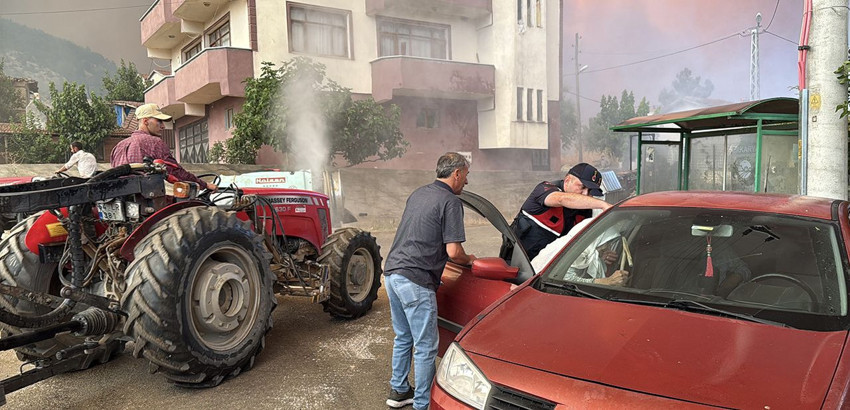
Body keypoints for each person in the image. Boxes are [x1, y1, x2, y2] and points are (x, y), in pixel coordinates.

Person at [383, 152, 476, 410]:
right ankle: (423, 404)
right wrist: (470, 260)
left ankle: (399, 390)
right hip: (416, 279)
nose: (466, 181)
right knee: (426, 346)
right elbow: (454, 252)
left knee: (403, 337)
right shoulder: (450, 202)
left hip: (392, 274)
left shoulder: (418, 194)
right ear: (456, 173)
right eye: (466, 175)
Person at [507, 163, 611, 261]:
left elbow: (582, 244)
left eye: (590, 191)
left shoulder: (585, 211)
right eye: (582, 187)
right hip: (516, 263)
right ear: (567, 180)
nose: (585, 194)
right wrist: (603, 205)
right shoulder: (545, 189)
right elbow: (561, 199)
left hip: (547, 268)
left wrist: (599, 254)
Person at [110, 103, 216, 191]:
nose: (163, 126)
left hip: (119, 200)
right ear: (145, 121)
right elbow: (176, 172)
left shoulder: (118, 146)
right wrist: (205, 185)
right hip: (145, 201)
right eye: (159, 121)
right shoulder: (155, 142)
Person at [532, 217, 629, 286]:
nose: (608, 247)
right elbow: (563, 279)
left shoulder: (585, 248)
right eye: (606, 242)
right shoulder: (570, 249)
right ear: (595, 239)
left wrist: (598, 258)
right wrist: (607, 282)